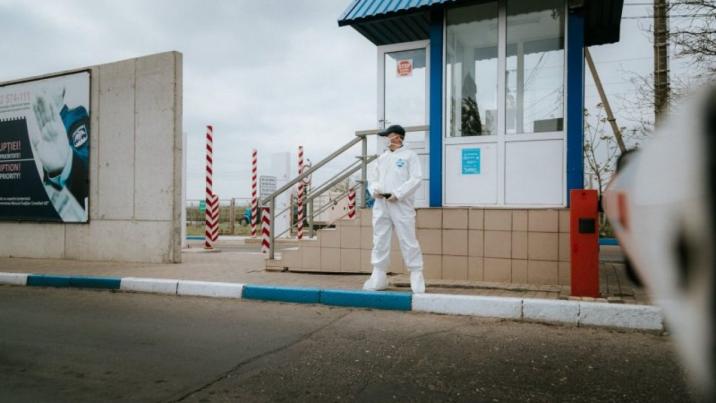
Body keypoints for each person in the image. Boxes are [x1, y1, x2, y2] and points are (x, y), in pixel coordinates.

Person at [363, 124, 425, 293]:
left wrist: (398, 194)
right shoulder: (382, 158)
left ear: (397, 137)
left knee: (408, 239)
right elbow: (373, 179)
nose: (385, 140)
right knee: (380, 239)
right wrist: (374, 190)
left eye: (387, 136)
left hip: (400, 204)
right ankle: (379, 274)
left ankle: (416, 273)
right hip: (381, 204)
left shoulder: (409, 156)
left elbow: (416, 179)